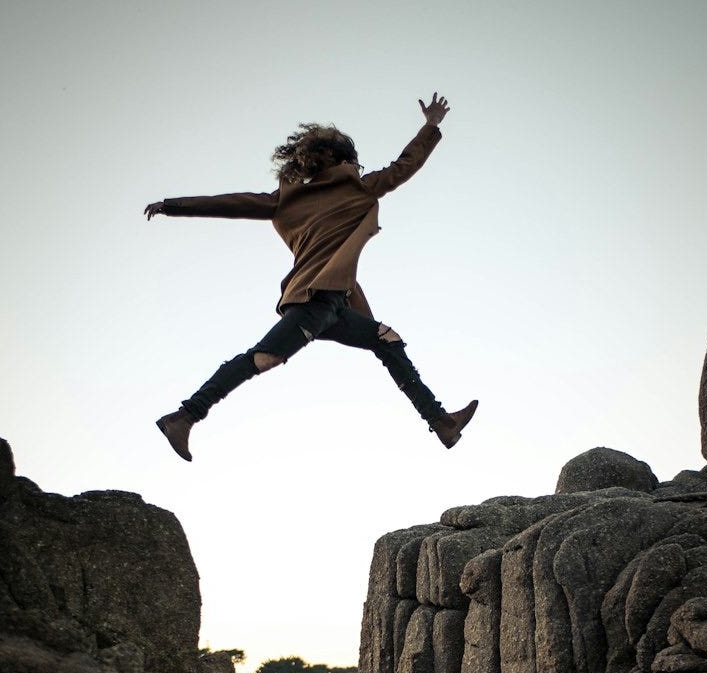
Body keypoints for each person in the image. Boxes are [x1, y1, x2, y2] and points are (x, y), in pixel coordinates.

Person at [145, 92, 477, 461]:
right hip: (313, 300)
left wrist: (172, 205)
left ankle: (441, 422)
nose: (356, 163)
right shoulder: (354, 188)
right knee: (264, 357)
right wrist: (430, 126)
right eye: (351, 158)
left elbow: (230, 201)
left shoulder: (290, 198)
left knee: (387, 340)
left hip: (335, 303)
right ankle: (185, 416)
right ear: (338, 159)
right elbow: (405, 165)